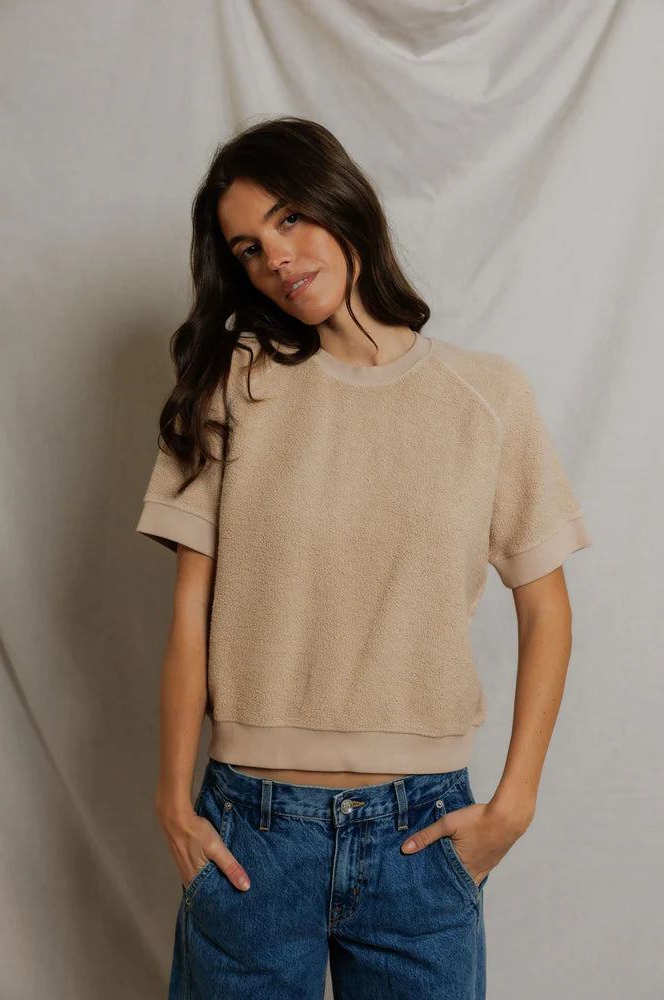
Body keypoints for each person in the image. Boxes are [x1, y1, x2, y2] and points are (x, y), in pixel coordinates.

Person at [135, 116, 592, 999]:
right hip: (250, 831)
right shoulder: (235, 382)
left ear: (343, 204)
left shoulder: (485, 394)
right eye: (247, 247)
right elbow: (191, 606)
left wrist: (515, 803)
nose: (276, 257)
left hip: (423, 834)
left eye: (289, 218)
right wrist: (171, 801)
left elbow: (546, 605)